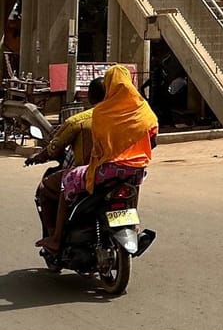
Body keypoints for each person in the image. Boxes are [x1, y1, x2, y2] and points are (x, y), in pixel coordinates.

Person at [37, 65, 158, 253]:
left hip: (107, 169)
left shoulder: (102, 113)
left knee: (67, 181)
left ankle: (56, 237)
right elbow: (154, 141)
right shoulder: (144, 110)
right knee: (133, 186)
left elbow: (100, 147)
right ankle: (134, 226)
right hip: (137, 169)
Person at [27, 78, 106, 243]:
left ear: (89, 97)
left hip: (88, 174)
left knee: (45, 187)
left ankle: (55, 237)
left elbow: (54, 148)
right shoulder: (126, 117)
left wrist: (39, 157)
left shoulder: (79, 121)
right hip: (120, 172)